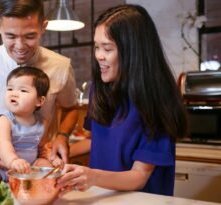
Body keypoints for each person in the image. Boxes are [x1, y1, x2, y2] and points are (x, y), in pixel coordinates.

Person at [56, 4, 188, 196]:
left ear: (133, 51)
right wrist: (61, 152)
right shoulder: (99, 90)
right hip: (102, 198)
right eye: (96, 47)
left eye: (107, 49)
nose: (99, 56)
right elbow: (100, 143)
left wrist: (92, 176)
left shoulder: (159, 101)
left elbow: (139, 176)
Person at [0, 0, 78, 171]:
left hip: (38, 170)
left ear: (43, 27)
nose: (20, 46)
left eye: (30, 36)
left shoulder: (60, 66)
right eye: (10, 36)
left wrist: (62, 136)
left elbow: (71, 108)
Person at [0, 66, 63, 188]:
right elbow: (3, 143)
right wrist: (13, 161)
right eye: (10, 89)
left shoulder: (42, 123)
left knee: (46, 165)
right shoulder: (5, 120)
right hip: (3, 167)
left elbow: (42, 148)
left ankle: (41, 189)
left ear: (40, 101)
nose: (14, 93)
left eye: (23, 90)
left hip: (29, 169)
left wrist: (52, 158)